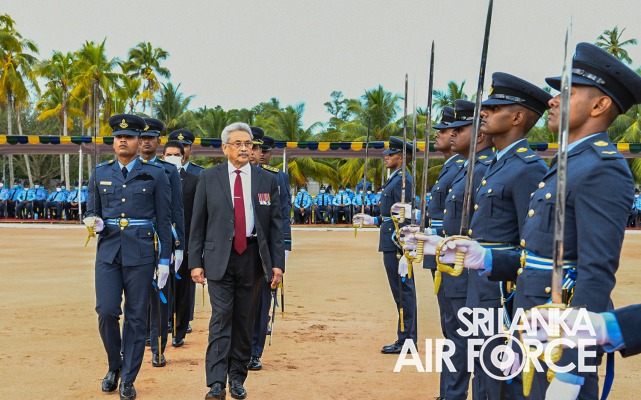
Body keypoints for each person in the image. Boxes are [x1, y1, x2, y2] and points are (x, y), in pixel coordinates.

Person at [423, 43, 641, 399]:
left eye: (567, 93)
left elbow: (595, 275)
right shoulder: (569, 163)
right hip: (529, 315)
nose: (553, 101)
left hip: (559, 332)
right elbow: (535, 253)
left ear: (600, 105)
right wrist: (487, 258)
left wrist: (572, 368)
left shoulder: (602, 168)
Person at [468, 72, 552, 399]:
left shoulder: (528, 168)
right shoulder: (497, 164)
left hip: (503, 294)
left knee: (502, 378)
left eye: (493, 108)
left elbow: (530, 245)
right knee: (483, 371)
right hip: (483, 285)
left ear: (517, 118)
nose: (483, 113)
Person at [189, 122, 284, 400]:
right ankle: (216, 382)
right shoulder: (209, 177)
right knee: (221, 318)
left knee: (244, 319)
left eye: (248, 144)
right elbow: (198, 222)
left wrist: (277, 264)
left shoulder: (267, 180)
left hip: (252, 257)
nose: (245, 149)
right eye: (238, 143)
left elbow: (276, 225)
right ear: (225, 148)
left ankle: (237, 377)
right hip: (219, 257)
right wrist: (195, 261)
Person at [85, 113, 172, 400]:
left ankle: (129, 379)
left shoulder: (156, 174)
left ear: (138, 141)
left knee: (136, 317)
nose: (123, 141)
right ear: (113, 142)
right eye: (118, 137)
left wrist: (164, 260)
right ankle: (115, 365)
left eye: (129, 137)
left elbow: (164, 220)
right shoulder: (100, 173)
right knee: (106, 310)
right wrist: (92, 220)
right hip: (109, 251)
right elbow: (92, 210)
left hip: (142, 252)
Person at [353, 136, 417, 354]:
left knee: (403, 291)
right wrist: (373, 220)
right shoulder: (396, 179)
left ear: (402, 157)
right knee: (399, 292)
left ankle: (407, 340)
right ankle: (404, 337)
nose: (386, 157)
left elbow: (406, 214)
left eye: (391, 154)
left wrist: (405, 247)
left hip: (397, 242)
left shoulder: (403, 180)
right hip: (390, 237)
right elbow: (391, 214)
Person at [139, 117, 186, 367]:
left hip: (160, 239)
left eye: (151, 138)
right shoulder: (125, 168)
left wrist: (179, 246)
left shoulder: (169, 170)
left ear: (159, 141)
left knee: (159, 295)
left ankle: (158, 346)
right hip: (134, 240)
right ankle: (134, 344)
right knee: (135, 296)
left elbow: (177, 210)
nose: (146, 142)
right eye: (142, 137)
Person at [249, 134, 292, 371]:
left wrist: (283, 248)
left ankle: (255, 351)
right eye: (250, 146)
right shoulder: (226, 177)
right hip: (236, 249)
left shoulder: (275, 177)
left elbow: (282, 215)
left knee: (262, 301)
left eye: (258, 148)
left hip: (264, 250)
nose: (254, 152)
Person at [162, 140, 198, 348]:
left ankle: (180, 329)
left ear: (183, 158)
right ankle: (160, 325)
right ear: (162, 156)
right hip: (160, 242)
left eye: (176, 154)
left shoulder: (194, 180)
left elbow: (198, 214)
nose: (172, 158)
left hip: (185, 242)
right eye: (169, 154)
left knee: (183, 289)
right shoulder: (155, 176)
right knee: (160, 286)